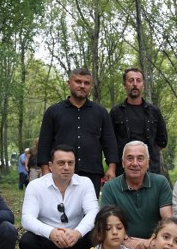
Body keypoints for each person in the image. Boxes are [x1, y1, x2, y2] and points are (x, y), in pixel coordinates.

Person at [20, 144, 99, 249]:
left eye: (70, 163)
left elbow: (93, 212)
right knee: (27, 241)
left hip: (76, 244)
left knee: (94, 234)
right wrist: (51, 233)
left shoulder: (85, 183)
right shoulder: (35, 186)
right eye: (61, 163)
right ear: (50, 166)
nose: (66, 167)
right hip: (48, 244)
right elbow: (27, 218)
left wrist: (77, 233)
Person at [37, 67, 119, 196]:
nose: (82, 86)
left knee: (89, 207)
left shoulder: (101, 112)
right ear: (69, 83)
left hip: (92, 172)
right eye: (78, 82)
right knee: (59, 207)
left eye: (86, 83)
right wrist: (45, 170)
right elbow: (44, 143)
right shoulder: (53, 112)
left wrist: (111, 168)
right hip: (60, 171)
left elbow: (109, 142)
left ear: (90, 86)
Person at [100, 140, 172, 249]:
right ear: (123, 163)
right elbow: (107, 223)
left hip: (156, 248)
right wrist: (128, 242)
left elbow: (167, 219)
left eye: (140, 158)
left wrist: (152, 241)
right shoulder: (110, 187)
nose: (134, 163)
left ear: (148, 163)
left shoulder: (160, 183)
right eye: (130, 158)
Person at [110, 67, 168, 175]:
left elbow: (162, 140)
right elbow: (110, 142)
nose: (135, 84)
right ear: (124, 85)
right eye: (131, 80)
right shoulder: (116, 112)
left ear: (143, 84)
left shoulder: (154, 111)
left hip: (151, 169)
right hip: (122, 171)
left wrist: (147, 154)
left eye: (138, 80)